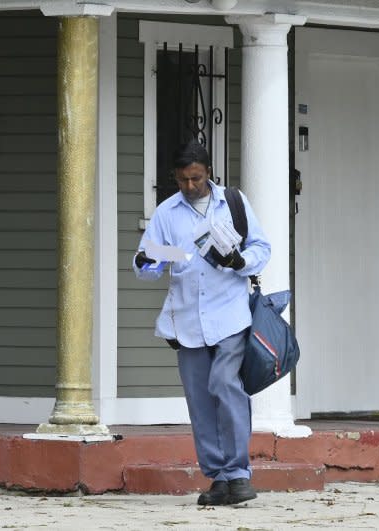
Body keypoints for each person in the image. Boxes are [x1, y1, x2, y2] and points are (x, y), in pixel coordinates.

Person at [133, 140, 271, 506]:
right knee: (199, 400)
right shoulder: (166, 213)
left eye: (195, 178)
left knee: (225, 385)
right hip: (187, 320)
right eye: (182, 180)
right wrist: (153, 260)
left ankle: (239, 473)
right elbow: (142, 264)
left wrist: (241, 262)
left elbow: (262, 248)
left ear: (208, 172)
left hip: (230, 316)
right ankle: (219, 478)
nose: (190, 186)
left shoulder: (234, 204)